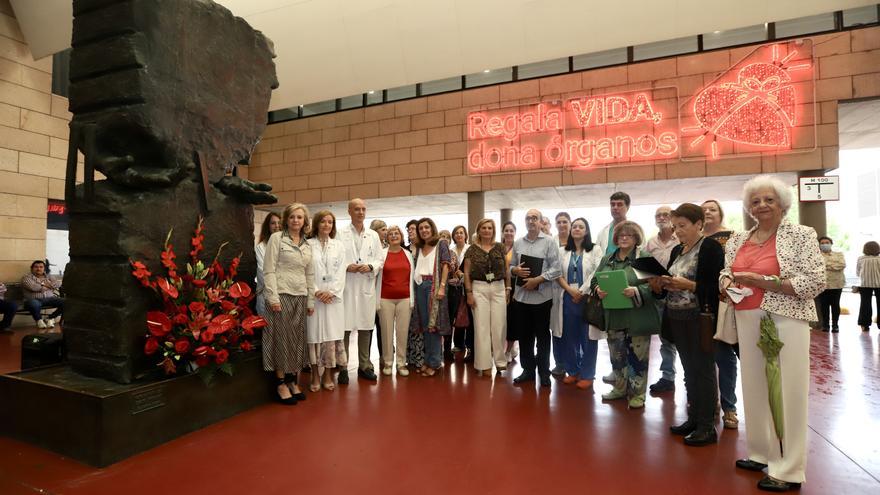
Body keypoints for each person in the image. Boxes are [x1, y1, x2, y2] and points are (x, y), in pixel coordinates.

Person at [720, 175, 824, 491]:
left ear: (782, 204)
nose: (762, 205)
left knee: (786, 391)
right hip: (747, 316)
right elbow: (727, 270)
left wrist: (767, 282)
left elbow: (815, 281)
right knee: (753, 386)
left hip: (785, 318)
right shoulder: (738, 238)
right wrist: (724, 282)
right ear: (748, 208)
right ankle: (763, 451)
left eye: (769, 199)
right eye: (755, 201)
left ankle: (789, 468)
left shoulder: (802, 234)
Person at [654, 204, 724, 446]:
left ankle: (707, 426)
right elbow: (670, 285)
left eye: (682, 226)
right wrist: (662, 284)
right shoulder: (677, 251)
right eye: (675, 227)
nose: (677, 231)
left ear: (698, 224)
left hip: (699, 319)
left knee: (703, 371)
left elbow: (717, 289)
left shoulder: (710, 248)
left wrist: (689, 285)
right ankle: (694, 418)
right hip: (676, 318)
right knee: (688, 370)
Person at [591, 221, 660, 409]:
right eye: (620, 235)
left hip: (637, 316)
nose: (623, 238)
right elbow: (595, 280)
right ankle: (620, 389)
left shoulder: (642, 257)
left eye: (628, 235)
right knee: (617, 356)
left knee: (638, 357)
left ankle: (637, 394)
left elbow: (657, 285)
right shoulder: (608, 259)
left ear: (636, 238)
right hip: (614, 315)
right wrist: (598, 290)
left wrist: (636, 290)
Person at [263, 203, 315, 405]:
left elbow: (309, 274)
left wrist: (310, 300)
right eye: (292, 217)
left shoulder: (307, 245)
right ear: (287, 219)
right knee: (281, 340)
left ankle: (293, 381)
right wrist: (273, 298)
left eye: (300, 217)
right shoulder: (277, 239)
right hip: (281, 296)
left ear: (305, 221)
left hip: (300, 296)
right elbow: (269, 271)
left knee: (296, 341)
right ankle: (281, 383)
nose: (296, 221)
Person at [509, 209, 561, 387]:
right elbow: (510, 267)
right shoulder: (517, 243)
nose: (531, 221)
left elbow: (557, 269)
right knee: (524, 337)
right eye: (528, 218)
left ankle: (544, 372)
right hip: (521, 298)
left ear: (540, 222)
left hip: (542, 298)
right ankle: (528, 371)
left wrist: (538, 279)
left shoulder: (549, 242)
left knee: (542, 338)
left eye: (534, 218)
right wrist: (515, 270)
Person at [702, 199, 740, 429]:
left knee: (743, 359)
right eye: (703, 210)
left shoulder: (735, 236)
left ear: (720, 213)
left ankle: (732, 407)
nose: (708, 212)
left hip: (737, 303)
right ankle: (720, 405)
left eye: (712, 209)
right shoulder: (695, 241)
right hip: (711, 308)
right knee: (719, 359)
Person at [339, 198, 384, 383]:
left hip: (365, 285)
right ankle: (342, 366)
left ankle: (364, 366)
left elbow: (380, 259)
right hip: (348, 285)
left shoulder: (373, 235)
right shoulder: (340, 233)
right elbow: (335, 257)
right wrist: (345, 266)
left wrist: (371, 266)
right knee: (345, 329)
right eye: (356, 209)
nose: (360, 212)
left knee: (366, 327)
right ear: (349, 211)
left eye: (363, 209)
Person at [555, 218, 602, 389]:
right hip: (568, 298)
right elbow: (557, 273)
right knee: (569, 337)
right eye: (574, 226)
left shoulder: (595, 249)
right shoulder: (562, 251)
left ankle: (588, 374)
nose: (577, 229)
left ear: (586, 231)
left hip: (587, 298)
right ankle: (572, 370)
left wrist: (582, 290)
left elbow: (598, 270)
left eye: (581, 227)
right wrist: (570, 290)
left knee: (588, 337)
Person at [306, 210, 347, 392]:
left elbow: (341, 272)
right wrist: (315, 291)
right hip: (314, 298)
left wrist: (331, 292)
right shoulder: (307, 245)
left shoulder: (338, 246)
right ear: (316, 224)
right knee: (313, 337)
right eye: (323, 221)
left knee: (331, 337)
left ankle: (329, 373)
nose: (326, 225)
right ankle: (315, 373)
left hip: (332, 299)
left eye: (330, 222)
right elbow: (305, 271)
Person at [464, 219, 511, 376]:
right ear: (478, 230)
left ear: (493, 230)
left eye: (489, 228)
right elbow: (466, 273)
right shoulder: (471, 250)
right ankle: (484, 365)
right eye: (483, 228)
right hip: (479, 288)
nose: (486, 230)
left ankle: (500, 361)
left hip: (498, 288)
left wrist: (508, 289)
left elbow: (506, 269)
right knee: (481, 327)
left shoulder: (500, 247)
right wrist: (469, 293)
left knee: (499, 326)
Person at [408, 217, 452, 376]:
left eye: (427, 227)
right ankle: (428, 360)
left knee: (434, 325)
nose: (424, 230)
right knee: (425, 325)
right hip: (419, 287)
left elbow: (446, 265)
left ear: (432, 228)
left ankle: (434, 362)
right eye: (421, 229)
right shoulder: (419, 247)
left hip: (433, 286)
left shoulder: (441, 244)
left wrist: (441, 287)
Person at [596, 191, 630, 384]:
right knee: (613, 333)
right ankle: (616, 371)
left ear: (627, 207)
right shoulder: (604, 232)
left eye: (619, 204)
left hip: (629, 285)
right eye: (612, 204)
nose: (615, 207)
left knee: (630, 335)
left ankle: (632, 375)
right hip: (609, 288)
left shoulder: (634, 229)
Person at [645, 206, 679, 394]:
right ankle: (668, 376)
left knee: (684, 339)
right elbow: (643, 268)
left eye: (666, 214)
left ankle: (689, 379)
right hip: (658, 295)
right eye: (658, 215)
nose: (662, 217)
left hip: (681, 294)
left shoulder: (681, 239)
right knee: (665, 338)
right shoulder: (650, 243)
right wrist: (652, 282)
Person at [377, 226, 414, 376]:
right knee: (386, 332)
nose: (393, 236)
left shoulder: (408, 254)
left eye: (396, 233)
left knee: (402, 332)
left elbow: (413, 277)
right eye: (390, 234)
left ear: (401, 236)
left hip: (405, 299)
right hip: (385, 299)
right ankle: (388, 362)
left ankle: (401, 363)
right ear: (387, 238)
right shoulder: (381, 254)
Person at [447, 225, 474, 361]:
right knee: (455, 316)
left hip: (468, 288)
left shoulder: (470, 250)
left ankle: (469, 346)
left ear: (465, 235)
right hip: (453, 289)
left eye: (461, 233)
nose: (459, 235)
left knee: (468, 317)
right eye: (456, 233)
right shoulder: (450, 251)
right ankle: (458, 344)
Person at [550, 212, 572, 377]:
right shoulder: (551, 242)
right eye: (559, 222)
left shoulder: (576, 242)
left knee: (572, 329)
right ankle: (559, 363)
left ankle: (573, 361)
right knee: (556, 329)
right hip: (554, 291)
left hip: (573, 291)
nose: (562, 225)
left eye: (565, 222)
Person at [21, 260, 63, 329]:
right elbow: (34, 287)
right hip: (33, 300)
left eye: (41, 267)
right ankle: (39, 321)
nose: (38, 269)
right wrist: (48, 285)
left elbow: (58, 284)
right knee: (34, 304)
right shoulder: (26, 277)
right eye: (36, 267)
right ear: (32, 268)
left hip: (50, 299)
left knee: (66, 302)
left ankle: (50, 318)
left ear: (44, 268)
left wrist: (43, 286)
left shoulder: (49, 276)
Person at [816, 236, 845, 333]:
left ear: (831, 243)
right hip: (821, 284)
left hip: (836, 284)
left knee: (835, 305)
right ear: (819, 245)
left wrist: (825, 265)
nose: (825, 244)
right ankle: (825, 325)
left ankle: (835, 325)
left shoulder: (839, 254)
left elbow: (841, 265)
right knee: (823, 306)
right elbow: (814, 268)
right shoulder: (815, 256)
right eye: (822, 243)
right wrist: (832, 266)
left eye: (827, 242)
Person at [255, 212, 282, 316]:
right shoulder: (261, 247)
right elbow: (264, 273)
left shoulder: (288, 244)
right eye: (273, 223)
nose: (277, 226)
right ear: (268, 226)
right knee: (268, 329)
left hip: (286, 295)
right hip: (268, 296)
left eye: (279, 223)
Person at [370, 219, 388, 367]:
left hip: (384, 292)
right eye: (383, 229)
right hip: (370, 292)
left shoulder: (389, 248)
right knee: (369, 327)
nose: (386, 232)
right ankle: (366, 359)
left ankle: (385, 355)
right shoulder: (370, 247)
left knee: (383, 326)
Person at [501, 221, 519, 363]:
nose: (508, 233)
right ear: (502, 232)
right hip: (498, 285)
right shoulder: (498, 248)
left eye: (511, 230)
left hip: (514, 286)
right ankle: (509, 348)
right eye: (506, 230)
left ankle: (508, 350)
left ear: (515, 232)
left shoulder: (519, 247)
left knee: (512, 319)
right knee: (501, 319)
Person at [856, 241, 880, 332]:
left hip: (864, 284)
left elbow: (858, 272)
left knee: (865, 304)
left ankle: (864, 324)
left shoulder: (861, 259)